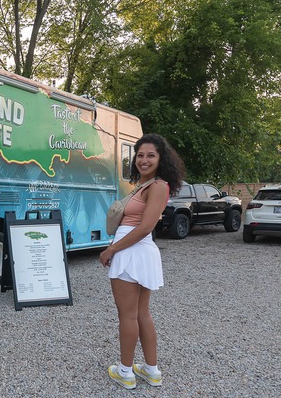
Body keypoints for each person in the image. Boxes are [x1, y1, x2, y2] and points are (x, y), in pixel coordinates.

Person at [100, 133, 184, 389]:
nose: (144, 160)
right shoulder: (146, 185)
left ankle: (125, 372)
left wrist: (111, 249)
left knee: (128, 315)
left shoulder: (158, 186)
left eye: (151, 155)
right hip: (135, 250)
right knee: (140, 314)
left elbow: (146, 227)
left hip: (132, 251)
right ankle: (151, 370)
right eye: (140, 155)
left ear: (161, 159)